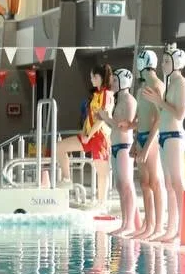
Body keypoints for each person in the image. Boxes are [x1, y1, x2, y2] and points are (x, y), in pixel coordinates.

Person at [141, 44, 185, 245]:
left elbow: (180, 114)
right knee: (169, 184)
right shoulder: (171, 84)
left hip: (174, 136)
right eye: (163, 61)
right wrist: (158, 102)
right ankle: (172, 228)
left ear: (177, 63)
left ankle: (182, 229)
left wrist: (159, 101)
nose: (163, 65)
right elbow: (164, 112)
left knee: (178, 183)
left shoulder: (182, 84)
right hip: (165, 136)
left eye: (167, 61)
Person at [57, 66, 114, 208]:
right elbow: (89, 117)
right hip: (88, 134)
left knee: (102, 172)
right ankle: (66, 179)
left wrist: (89, 135)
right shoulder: (95, 95)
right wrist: (84, 132)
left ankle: (102, 204)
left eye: (94, 77)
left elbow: (102, 119)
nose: (92, 80)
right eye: (91, 77)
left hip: (100, 136)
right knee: (60, 147)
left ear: (102, 77)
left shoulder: (107, 94)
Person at [130, 49, 165, 239]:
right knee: (144, 183)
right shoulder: (140, 89)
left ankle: (158, 226)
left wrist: (147, 146)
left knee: (155, 182)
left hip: (152, 139)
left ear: (144, 63)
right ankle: (148, 223)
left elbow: (159, 120)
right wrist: (135, 142)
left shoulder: (157, 86)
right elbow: (140, 118)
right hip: (142, 137)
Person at [100, 68, 138, 236]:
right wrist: (106, 118)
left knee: (126, 185)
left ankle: (129, 224)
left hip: (124, 147)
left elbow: (125, 126)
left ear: (124, 82)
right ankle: (125, 222)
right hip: (116, 146)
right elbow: (116, 125)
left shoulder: (129, 101)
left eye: (115, 80)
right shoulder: (118, 101)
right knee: (120, 186)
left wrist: (107, 118)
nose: (112, 83)